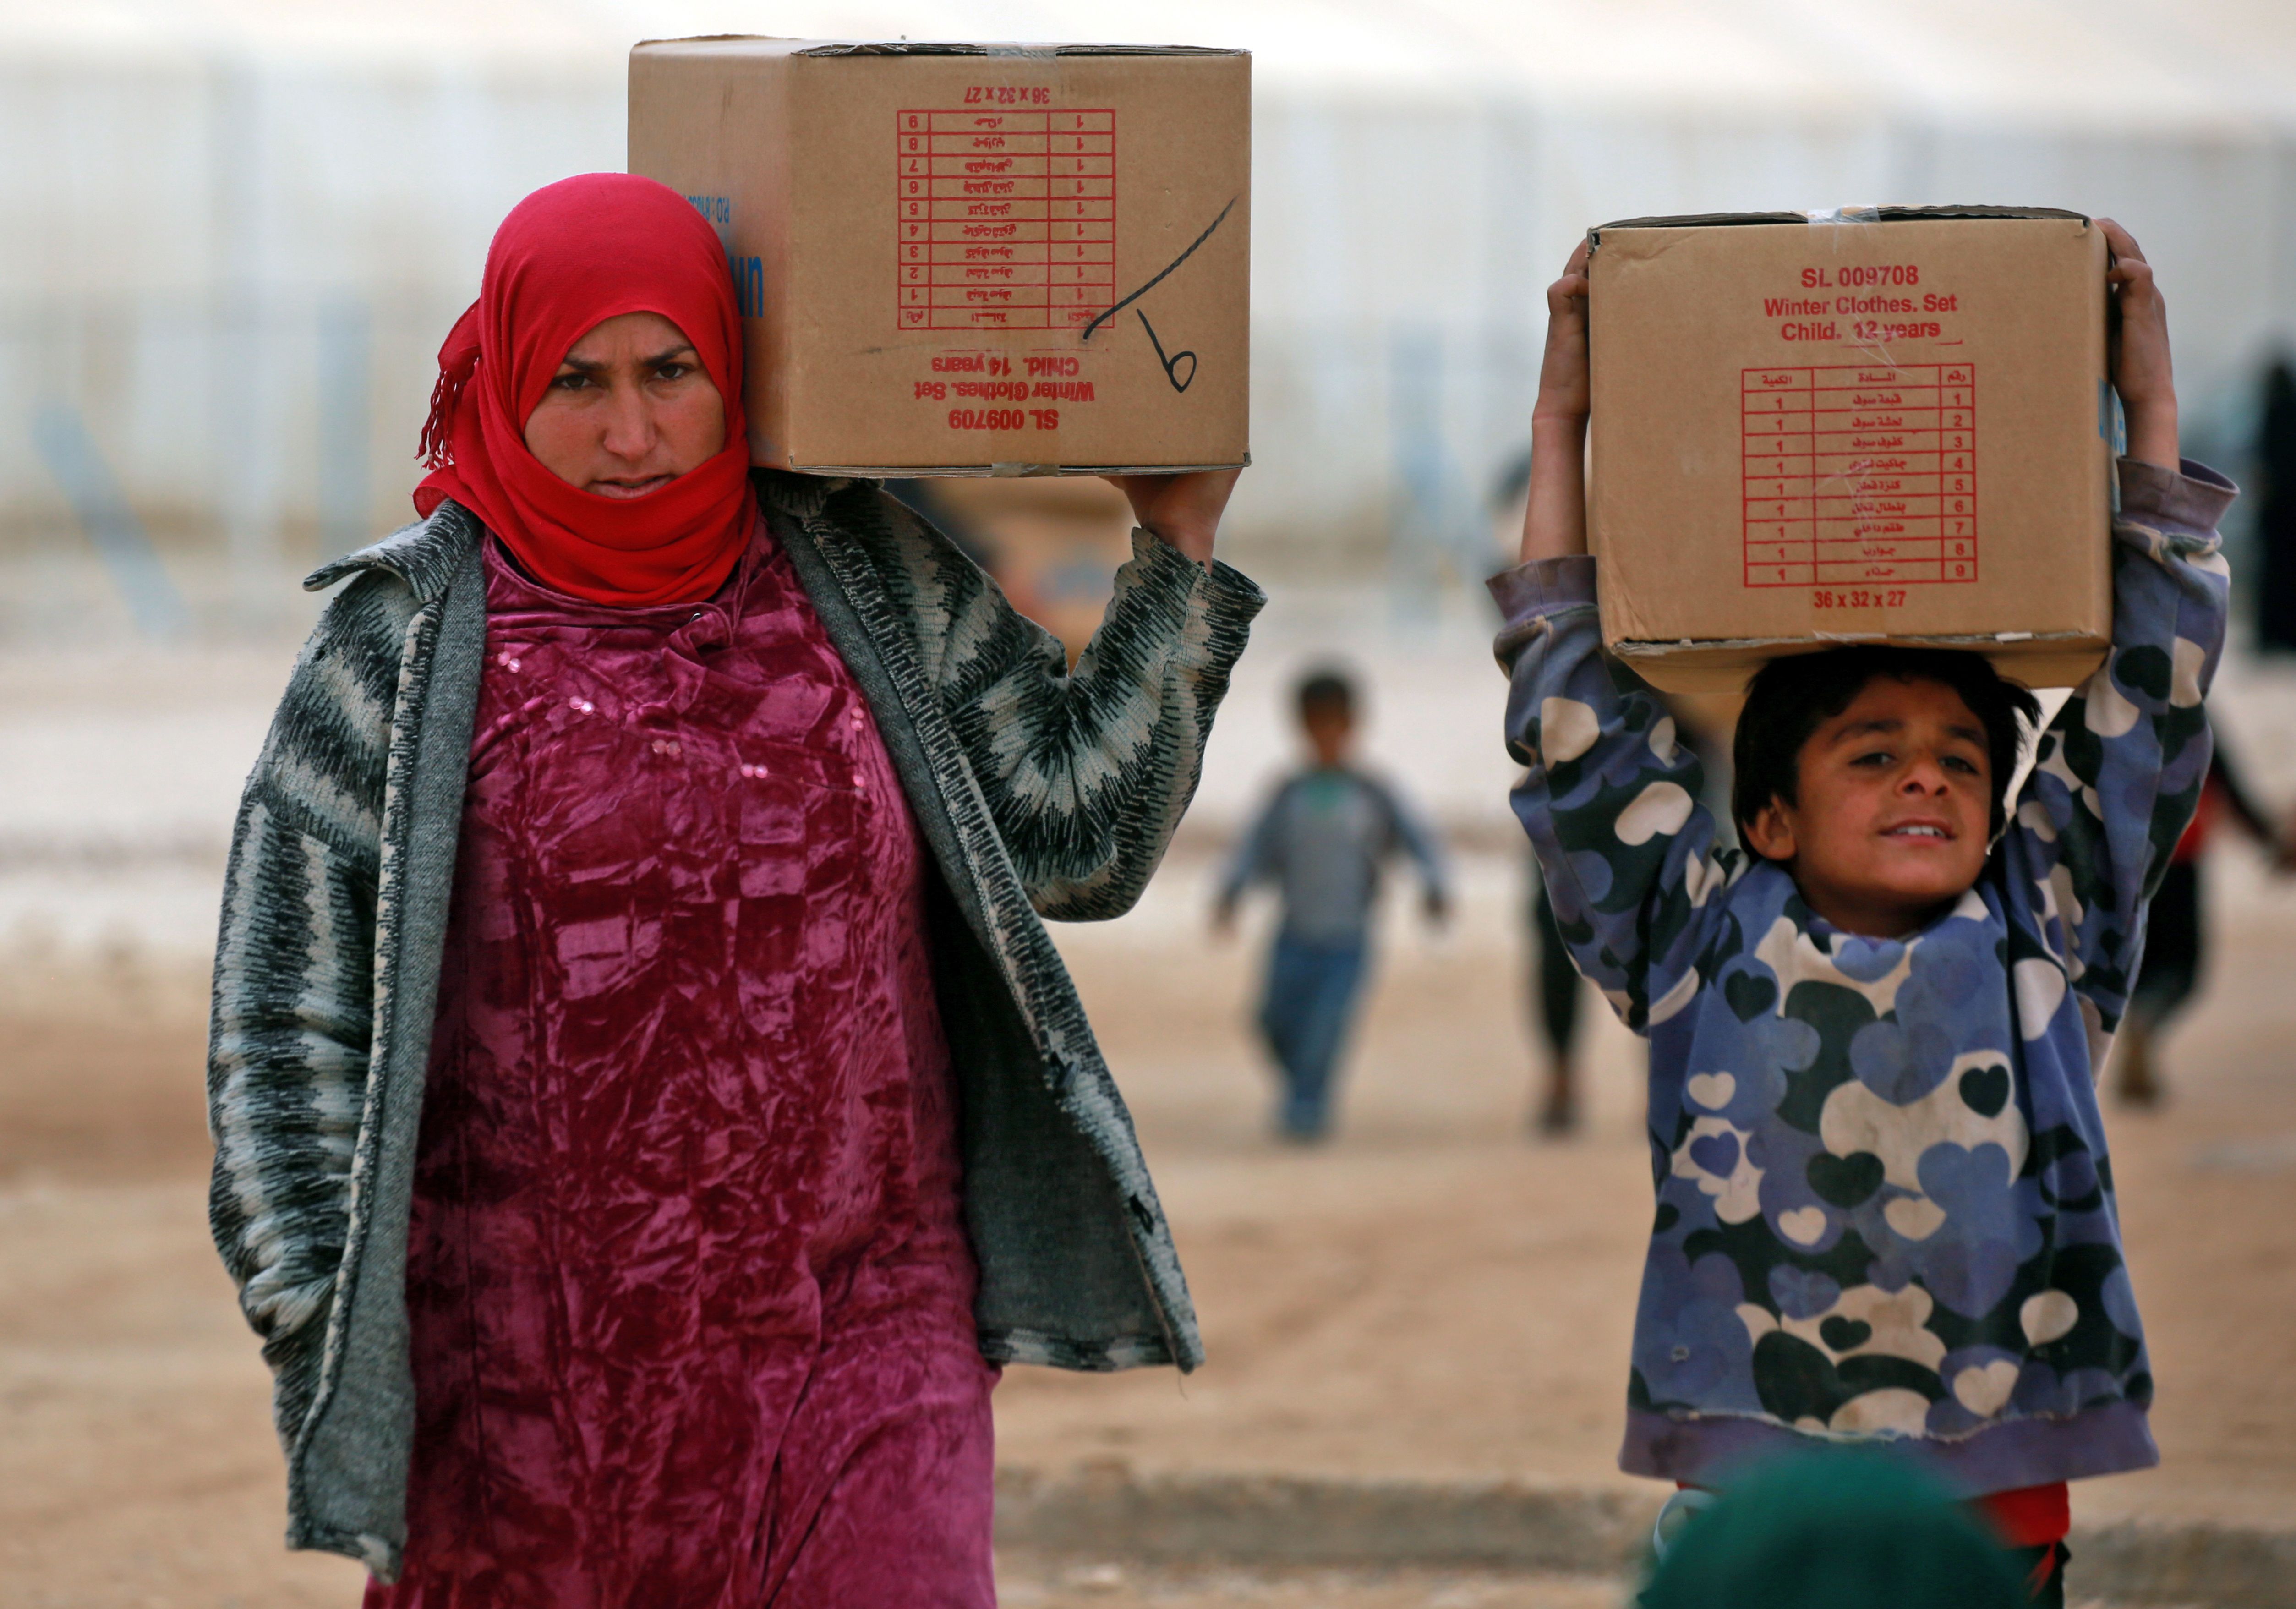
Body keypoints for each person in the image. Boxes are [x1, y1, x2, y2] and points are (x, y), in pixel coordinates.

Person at [204, 173, 1261, 1604]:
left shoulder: (858, 568)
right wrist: (328, 1330)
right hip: (523, 1391)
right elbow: (282, 1021)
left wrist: (1175, 556)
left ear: (732, 372)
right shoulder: (394, 652)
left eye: (670, 373)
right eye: (575, 381)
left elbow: (1076, 837)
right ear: (504, 379)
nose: (629, 431)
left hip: (865, 1330)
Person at [1493, 220, 2228, 1607]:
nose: (1924, 778)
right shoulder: (1689, 943)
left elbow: (2152, 689)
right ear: (1762, 817)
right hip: (1751, 1488)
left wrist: (2144, 406)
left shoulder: (2042, 922)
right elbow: (1568, 713)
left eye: (1960, 759)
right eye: (1870, 751)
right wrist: (1561, 416)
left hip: (1992, 1492)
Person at [1215, 668, 1449, 1139]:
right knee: (1271, 1021)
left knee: (1324, 1029)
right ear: (1300, 727)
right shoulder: (1287, 791)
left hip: (1348, 940)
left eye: (1334, 724)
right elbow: (1254, 848)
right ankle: (1301, 1081)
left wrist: (1434, 885)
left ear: (1352, 725)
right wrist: (1231, 891)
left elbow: (1417, 842)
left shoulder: (1373, 792)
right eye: (1315, 725)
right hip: (1292, 934)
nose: (1325, 735)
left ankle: (1305, 1107)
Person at [2116, 743, 2286, 1106]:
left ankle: (2138, 1028)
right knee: (2180, 969)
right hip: (2178, 859)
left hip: (2122, 860)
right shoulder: (2190, 710)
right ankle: (2146, 1021)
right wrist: (2268, 838)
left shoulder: (2111, 704)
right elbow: (2226, 782)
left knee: (2135, 964)